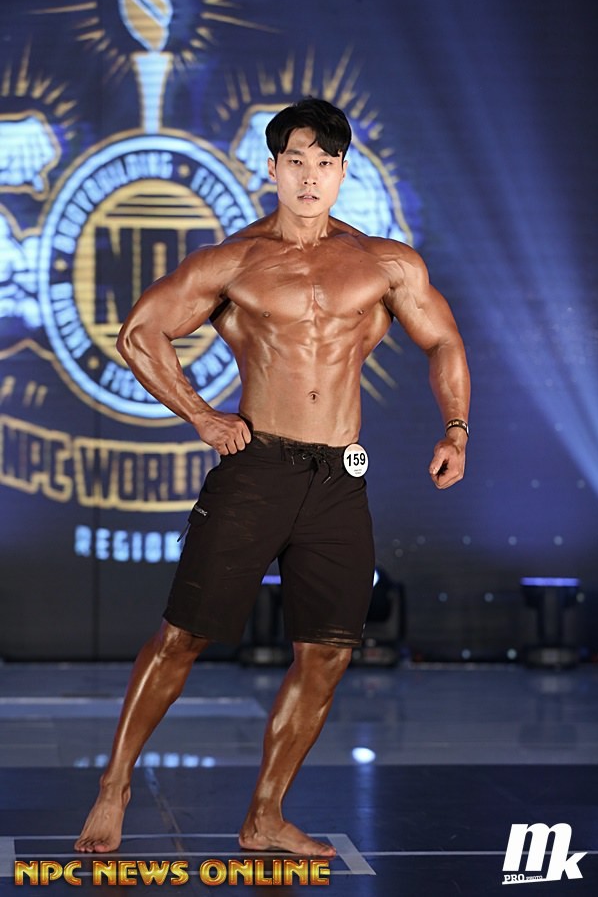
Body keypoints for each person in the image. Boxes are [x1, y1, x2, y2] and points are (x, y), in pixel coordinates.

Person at [74, 97, 470, 857]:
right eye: (296, 162)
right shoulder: (235, 261)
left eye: (325, 163)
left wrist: (456, 428)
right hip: (257, 469)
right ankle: (115, 786)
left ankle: (265, 815)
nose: (310, 177)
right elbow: (140, 332)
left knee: (328, 653)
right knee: (183, 636)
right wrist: (201, 415)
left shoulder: (386, 264)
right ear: (273, 169)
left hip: (339, 479)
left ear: (344, 171)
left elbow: (444, 341)